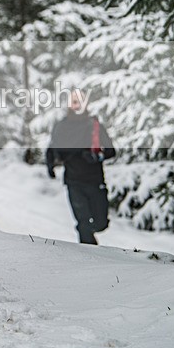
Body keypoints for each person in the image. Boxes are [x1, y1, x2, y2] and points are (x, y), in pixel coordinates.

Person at [46, 90, 116, 245]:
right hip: (74, 182)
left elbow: (111, 151)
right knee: (83, 223)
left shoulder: (94, 126)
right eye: (74, 102)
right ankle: (89, 255)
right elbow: (52, 148)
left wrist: (97, 156)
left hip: (95, 181)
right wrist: (50, 165)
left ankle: (89, 241)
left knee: (101, 223)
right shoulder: (61, 126)